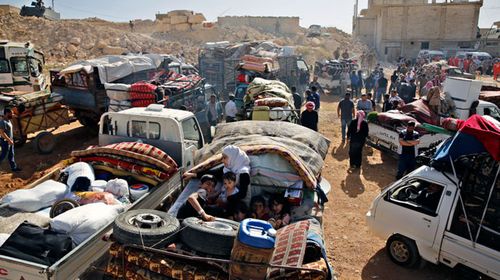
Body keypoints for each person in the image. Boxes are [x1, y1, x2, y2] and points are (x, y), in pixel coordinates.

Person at [183, 145, 251, 202]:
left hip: (238, 205)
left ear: (233, 158)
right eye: (222, 158)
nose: (222, 160)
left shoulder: (243, 173)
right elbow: (214, 173)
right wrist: (194, 174)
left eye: (225, 158)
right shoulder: (227, 169)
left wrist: (226, 200)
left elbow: (242, 194)